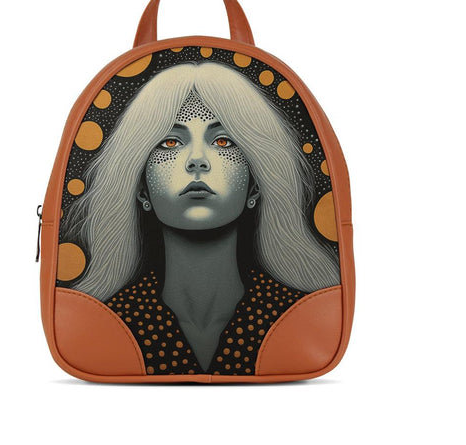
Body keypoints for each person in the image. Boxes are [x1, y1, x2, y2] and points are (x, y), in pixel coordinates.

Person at [62, 61, 340, 374]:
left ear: (255, 183)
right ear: (140, 186)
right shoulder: (107, 321)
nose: (197, 161)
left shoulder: (295, 316)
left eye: (223, 141)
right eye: (170, 142)